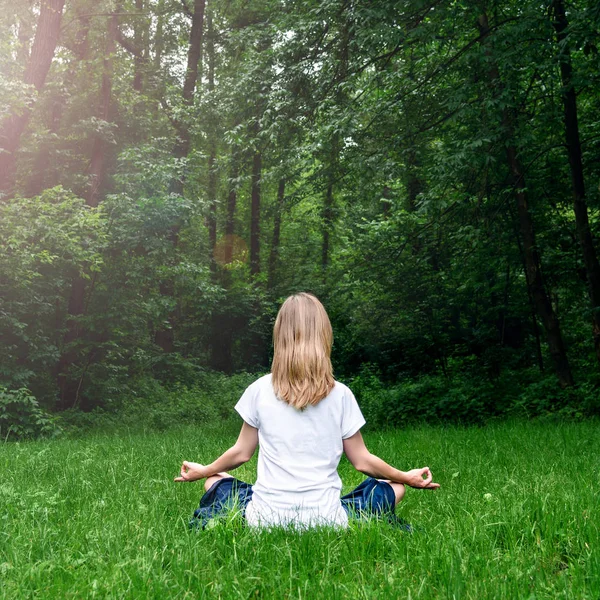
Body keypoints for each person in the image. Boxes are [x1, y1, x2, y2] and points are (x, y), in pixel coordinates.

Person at [175, 292, 439, 529]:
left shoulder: (258, 389)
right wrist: (405, 476)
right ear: (323, 336)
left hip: (265, 518)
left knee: (215, 481)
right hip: (327, 519)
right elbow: (362, 461)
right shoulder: (341, 394)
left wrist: (205, 470)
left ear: (280, 336)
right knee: (393, 487)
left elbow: (241, 453)